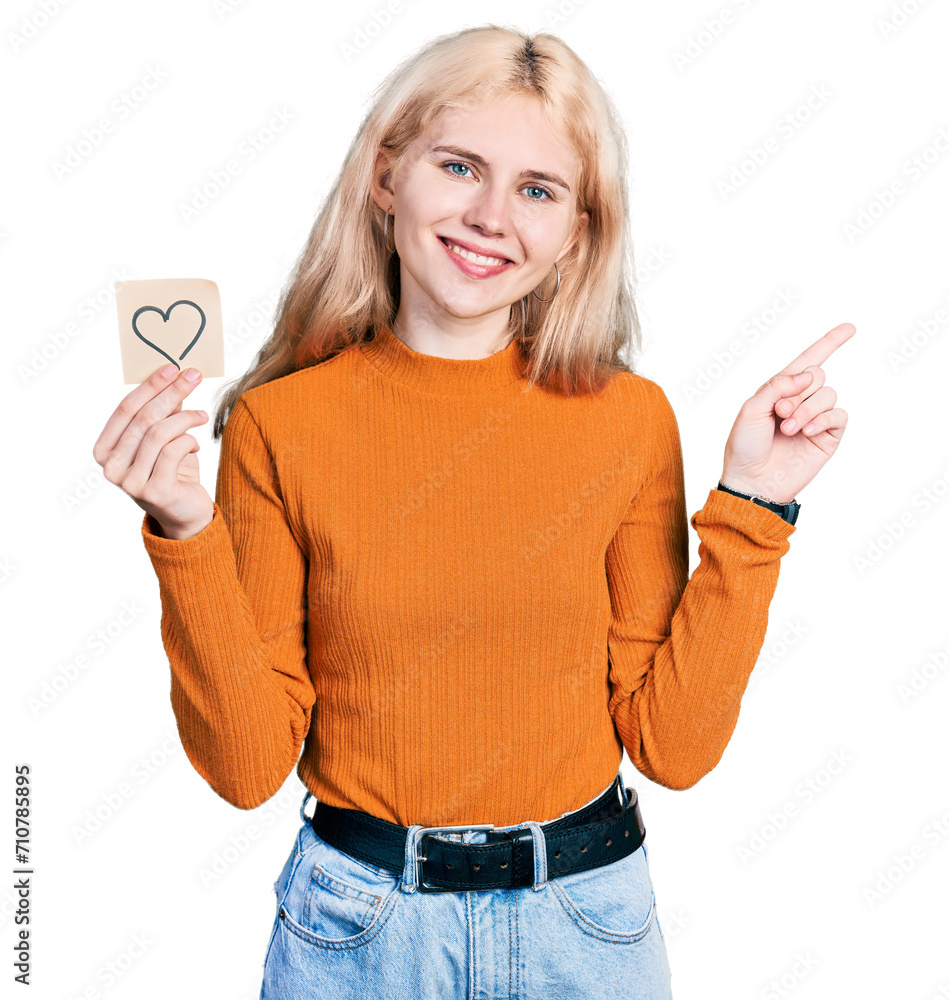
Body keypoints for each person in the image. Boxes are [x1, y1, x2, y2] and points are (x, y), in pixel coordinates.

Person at [93, 24, 851, 1000]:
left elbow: (673, 745)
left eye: (536, 189)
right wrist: (184, 534)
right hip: (356, 931)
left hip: (586, 927)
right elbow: (247, 768)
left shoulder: (626, 419)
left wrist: (758, 500)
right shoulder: (280, 426)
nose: (492, 214)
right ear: (385, 176)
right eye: (459, 167)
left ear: (577, 231)